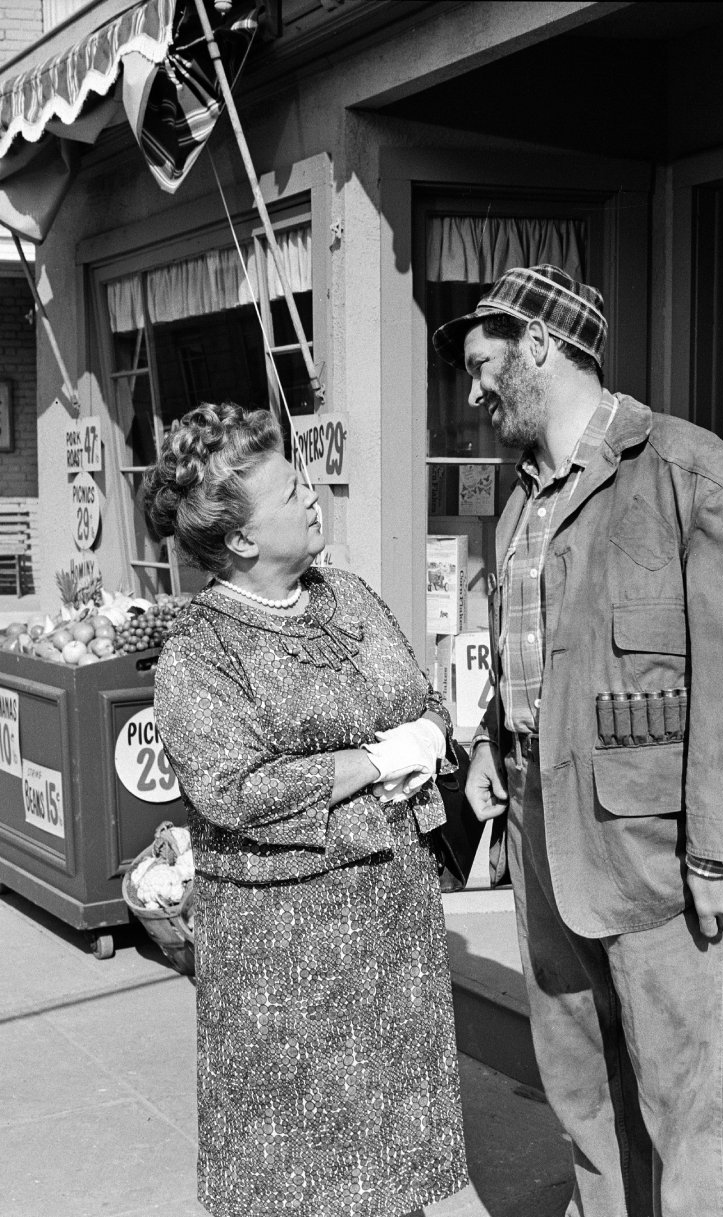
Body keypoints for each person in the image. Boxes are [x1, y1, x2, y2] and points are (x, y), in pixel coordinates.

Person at [432, 264, 723, 1217]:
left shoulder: (686, 471)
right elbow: (536, 651)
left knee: (691, 1106)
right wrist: (485, 741)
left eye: (485, 364)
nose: (472, 390)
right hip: (541, 830)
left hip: (653, 855)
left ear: (542, 347)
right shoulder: (522, 502)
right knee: (581, 1086)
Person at [145, 401, 487, 1217]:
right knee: (297, 1162)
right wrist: (371, 759)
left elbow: (423, 702)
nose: (309, 497)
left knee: (402, 1143)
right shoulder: (199, 650)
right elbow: (232, 788)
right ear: (238, 538)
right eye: (289, 490)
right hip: (281, 940)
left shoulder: (349, 598)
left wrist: (425, 741)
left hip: (391, 914)